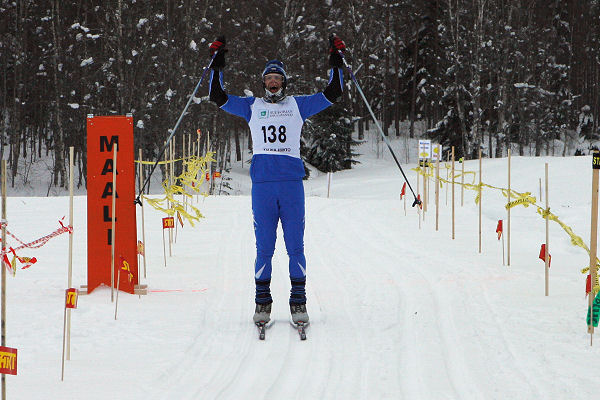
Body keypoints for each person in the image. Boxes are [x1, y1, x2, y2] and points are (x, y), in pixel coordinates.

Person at [208, 34, 346, 326]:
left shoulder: (298, 105)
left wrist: (336, 61)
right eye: (269, 78)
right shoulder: (251, 106)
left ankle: (298, 302)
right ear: (263, 83)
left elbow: (333, 93)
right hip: (263, 188)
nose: (273, 82)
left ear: (284, 82)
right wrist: (217, 64)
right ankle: (263, 303)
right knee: (265, 247)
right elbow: (217, 97)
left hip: (291, 186)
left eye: (277, 78)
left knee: (295, 245)